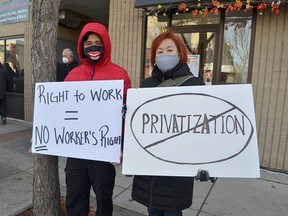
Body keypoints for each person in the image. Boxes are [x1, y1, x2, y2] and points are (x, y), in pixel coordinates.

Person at [131, 30, 206, 216]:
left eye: (170, 49)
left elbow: (204, 130)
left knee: (173, 212)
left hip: (177, 169)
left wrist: (207, 163)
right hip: (151, 168)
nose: (165, 54)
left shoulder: (195, 85)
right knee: (153, 210)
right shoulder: (146, 85)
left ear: (180, 54)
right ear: (154, 57)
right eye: (160, 51)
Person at [64, 22, 131, 216]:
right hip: (76, 152)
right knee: (75, 198)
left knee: (104, 200)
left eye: (97, 42)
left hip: (104, 154)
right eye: (88, 43)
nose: (92, 46)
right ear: (82, 47)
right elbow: (61, 112)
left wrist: (121, 146)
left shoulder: (120, 75)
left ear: (106, 44)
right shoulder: (72, 75)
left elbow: (126, 115)